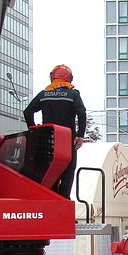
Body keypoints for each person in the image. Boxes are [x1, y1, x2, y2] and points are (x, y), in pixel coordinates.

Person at [24, 64, 87, 198]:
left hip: (48, 140)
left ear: (52, 77)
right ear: (69, 78)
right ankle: (64, 200)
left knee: (49, 171)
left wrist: (34, 130)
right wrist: (80, 135)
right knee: (68, 172)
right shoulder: (73, 94)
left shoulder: (43, 94)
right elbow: (81, 113)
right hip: (67, 141)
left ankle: (51, 198)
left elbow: (28, 112)